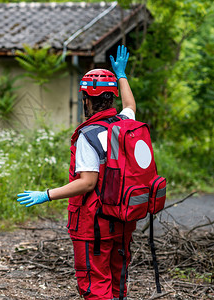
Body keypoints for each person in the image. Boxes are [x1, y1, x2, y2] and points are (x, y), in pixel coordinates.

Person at [17, 45, 136, 300]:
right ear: (110, 97)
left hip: (94, 223)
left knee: (95, 283)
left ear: (86, 99)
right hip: (122, 219)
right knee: (117, 280)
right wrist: (122, 75)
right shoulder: (125, 124)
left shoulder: (88, 135)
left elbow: (87, 183)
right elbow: (131, 105)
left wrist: (46, 194)